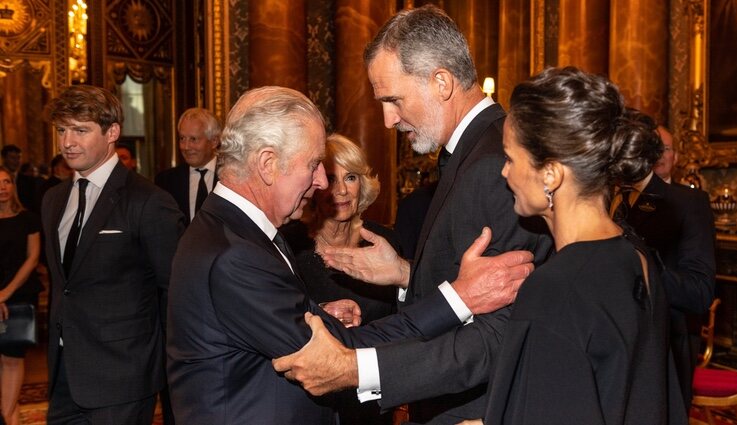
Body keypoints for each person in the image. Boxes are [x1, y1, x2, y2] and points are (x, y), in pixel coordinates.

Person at [274, 67, 688, 425]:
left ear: (551, 175)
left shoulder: (558, 285)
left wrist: (352, 368)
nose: (504, 172)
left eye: (510, 158)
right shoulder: (633, 254)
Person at [166, 86, 534, 425]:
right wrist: (460, 296)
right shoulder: (234, 254)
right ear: (267, 163)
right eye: (313, 165)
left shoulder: (233, 232)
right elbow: (340, 357)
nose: (323, 183)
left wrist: (313, 315)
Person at [312, 5, 552, 422]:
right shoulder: (477, 150)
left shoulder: (493, 164)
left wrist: (359, 368)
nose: (387, 120)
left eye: (393, 99)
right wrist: (406, 275)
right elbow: (472, 282)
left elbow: (500, 330)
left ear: (441, 82)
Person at [41, 85, 185, 424]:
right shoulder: (53, 200)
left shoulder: (149, 200)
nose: (67, 142)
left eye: (80, 129)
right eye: (62, 129)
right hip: (64, 372)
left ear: (112, 133)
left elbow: (176, 291)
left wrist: (172, 367)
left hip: (124, 376)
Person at [281, 133, 398, 425]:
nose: (342, 191)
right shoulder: (291, 247)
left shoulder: (385, 244)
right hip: (312, 399)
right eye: (332, 179)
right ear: (314, 185)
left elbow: (406, 319)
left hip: (375, 398)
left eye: (351, 178)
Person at [617, 117, 716, 413]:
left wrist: (642, 263)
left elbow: (699, 292)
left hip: (667, 345)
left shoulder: (686, 203)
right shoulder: (601, 197)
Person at [0, 166, 43, 425]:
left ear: (13, 185)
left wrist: (5, 293)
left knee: (12, 358)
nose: (2, 187)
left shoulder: (28, 219)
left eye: (6, 182)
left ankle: (7, 416)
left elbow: (33, 258)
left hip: (21, 296)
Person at [155, 107, 221, 222]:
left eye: (193, 139)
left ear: (214, 141)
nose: (185, 147)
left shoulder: (232, 178)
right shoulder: (165, 181)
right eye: (182, 138)